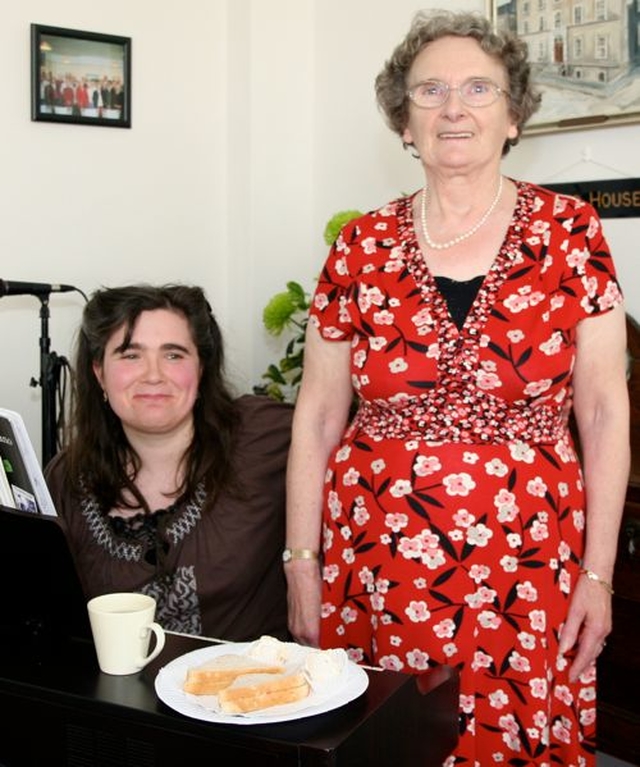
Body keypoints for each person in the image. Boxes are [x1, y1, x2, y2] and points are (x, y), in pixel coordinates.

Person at [284, 10, 629, 765]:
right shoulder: (360, 245)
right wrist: (300, 563)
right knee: (391, 738)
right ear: (404, 121)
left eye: (478, 87)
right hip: (378, 557)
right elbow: (314, 416)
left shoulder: (570, 232)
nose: (453, 107)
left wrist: (598, 574)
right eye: (429, 90)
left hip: (527, 557)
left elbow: (604, 412)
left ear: (513, 115)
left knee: (511, 740)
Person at [46, 284, 293, 642]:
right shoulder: (65, 480)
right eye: (130, 355)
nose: (153, 375)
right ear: (99, 372)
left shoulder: (263, 438)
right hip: (117, 697)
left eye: (174, 355)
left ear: (202, 368)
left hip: (259, 692)